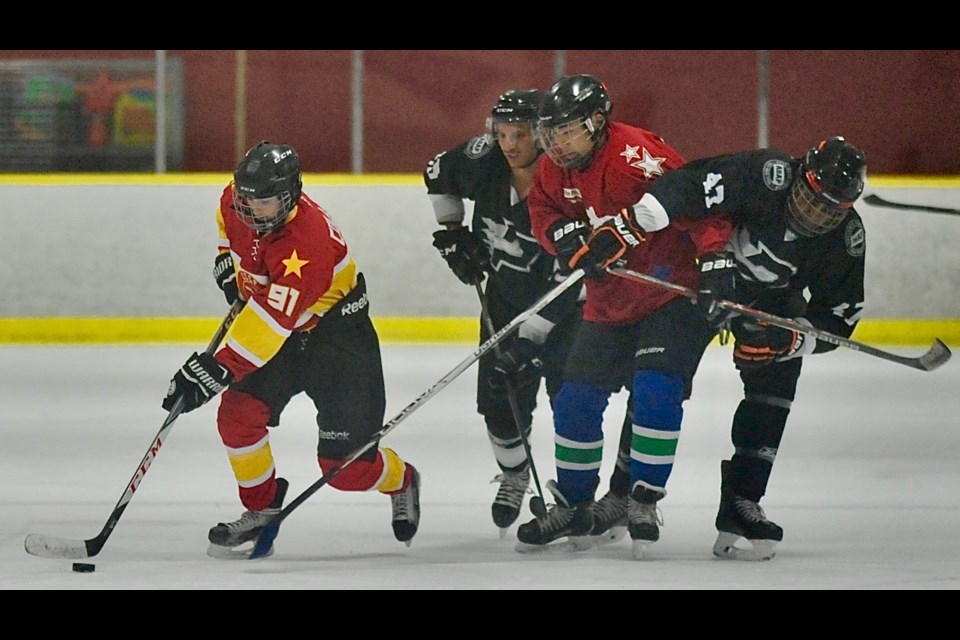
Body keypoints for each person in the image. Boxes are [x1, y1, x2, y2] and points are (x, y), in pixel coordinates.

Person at [595, 136, 867, 560]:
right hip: (697, 280)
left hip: (771, 303)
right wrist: (711, 255)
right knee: (657, 378)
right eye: (812, 200)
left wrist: (793, 337)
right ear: (798, 175)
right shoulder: (766, 174)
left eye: (830, 210)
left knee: (775, 385)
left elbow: (840, 317)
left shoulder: (847, 238)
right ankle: (623, 493)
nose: (815, 216)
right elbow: (687, 184)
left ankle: (743, 501)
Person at [162, 141, 421, 558]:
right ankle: (261, 507)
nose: (252, 210)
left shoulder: (309, 242)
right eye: (246, 199)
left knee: (347, 471)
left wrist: (217, 368)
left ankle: (402, 478)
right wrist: (229, 264)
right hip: (284, 334)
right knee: (237, 417)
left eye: (264, 203)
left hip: (338, 343)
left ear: (290, 195)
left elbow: (270, 322)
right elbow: (229, 234)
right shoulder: (234, 200)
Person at [520, 74, 735, 559]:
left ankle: (641, 499)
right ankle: (574, 505)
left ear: (597, 122)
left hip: (671, 293)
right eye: (550, 133)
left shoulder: (636, 154)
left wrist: (717, 259)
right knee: (574, 400)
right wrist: (561, 236)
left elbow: (699, 197)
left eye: (566, 130)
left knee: (656, 390)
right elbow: (541, 208)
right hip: (609, 298)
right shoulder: (556, 169)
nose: (555, 143)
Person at [424, 88, 592, 534]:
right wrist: (453, 232)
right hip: (503, 301)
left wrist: (533, 335)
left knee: (570, 403)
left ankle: (577, 497)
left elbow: (576, 272)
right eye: (502, 133)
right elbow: (436, 172)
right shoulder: (484, 161)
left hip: (564, 309)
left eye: (519, 134)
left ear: (542, 134)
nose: (509, 144)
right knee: (498, 403)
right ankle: (516, 474)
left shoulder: (568, 179)